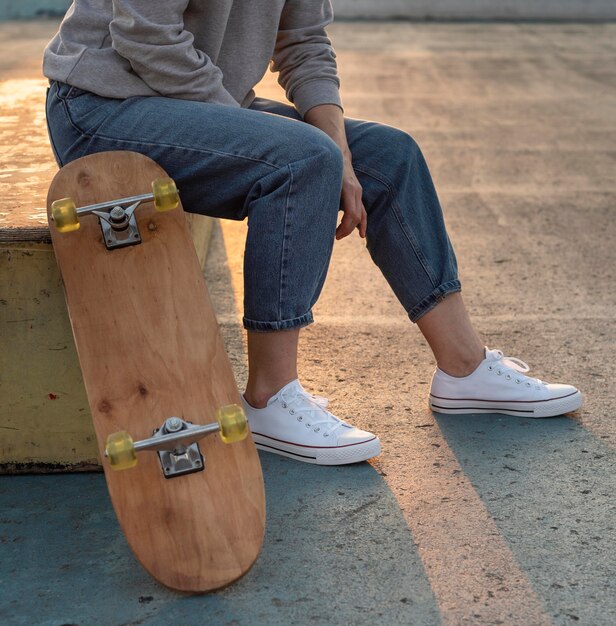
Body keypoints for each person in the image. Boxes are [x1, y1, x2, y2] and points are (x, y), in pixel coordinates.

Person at [43, 1, 582, 466]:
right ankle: (269, 398)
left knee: (389, 156)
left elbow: (303, 44)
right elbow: (145, 36)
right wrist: (269, 135)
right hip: (103, 106)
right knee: (301, 160)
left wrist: (343, 156)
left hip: (195, 100)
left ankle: (464, 370)